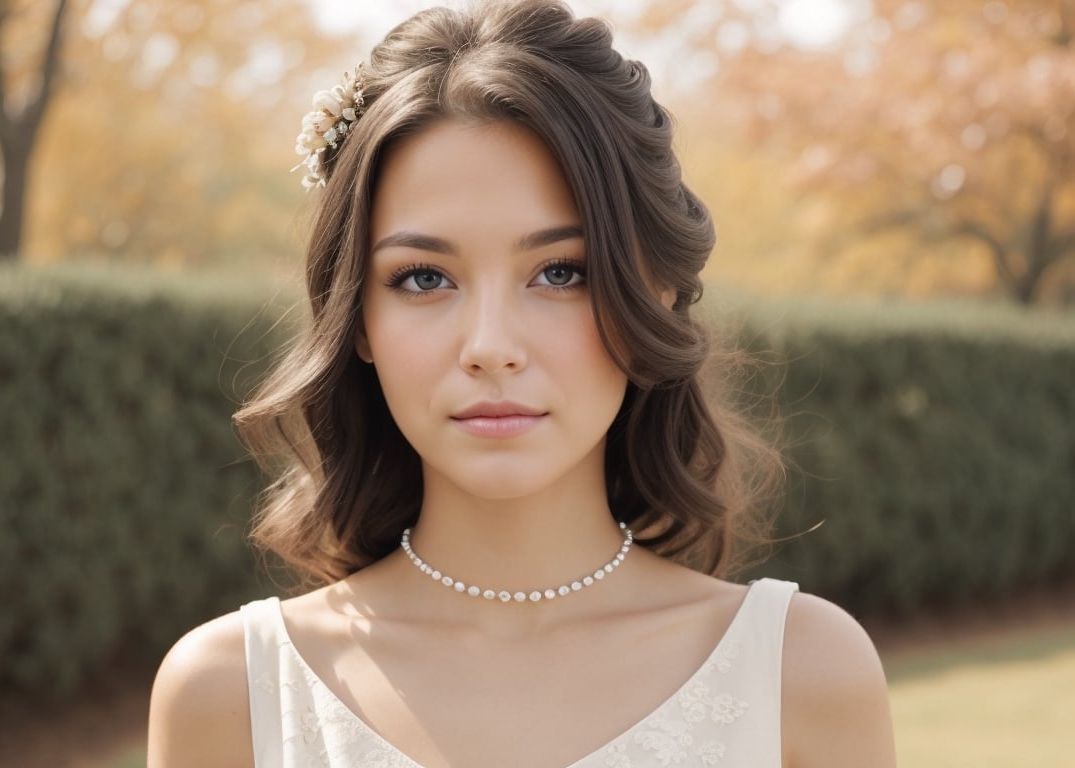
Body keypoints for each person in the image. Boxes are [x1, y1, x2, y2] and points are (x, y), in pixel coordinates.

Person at [146, 1, 896, 766]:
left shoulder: (801, 674)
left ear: (658, 292)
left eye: (561, 272)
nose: (490, 347)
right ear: (358, 318)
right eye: (424, 277)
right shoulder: (229, 694)